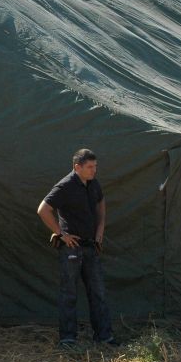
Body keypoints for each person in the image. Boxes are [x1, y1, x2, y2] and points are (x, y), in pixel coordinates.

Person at [37, 149, 118, 348]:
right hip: (71, 248)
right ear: (77, 167)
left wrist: (100, 229)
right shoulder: (65, 186)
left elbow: (101, 202)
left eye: (95, 166)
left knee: (97, 292)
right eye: (90, 167)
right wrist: (60, 234)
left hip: (91, 246)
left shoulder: (93, 184)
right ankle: (67, 339)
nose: (94, 171)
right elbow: (43, 209)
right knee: (69, 294)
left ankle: (104, 337)